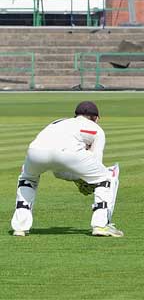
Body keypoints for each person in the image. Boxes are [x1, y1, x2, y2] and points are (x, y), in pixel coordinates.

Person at [11, 100, 123, 238]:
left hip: (35, 151)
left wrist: (78, 178)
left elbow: (58, 171)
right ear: (96, 118)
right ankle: (101, 225)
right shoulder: (97, 129)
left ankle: (20, 228)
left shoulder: (57, 122)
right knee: (106, 177)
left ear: (75, 115)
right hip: (68, 154)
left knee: (27, 179)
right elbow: (96, 162)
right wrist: (87, 181)